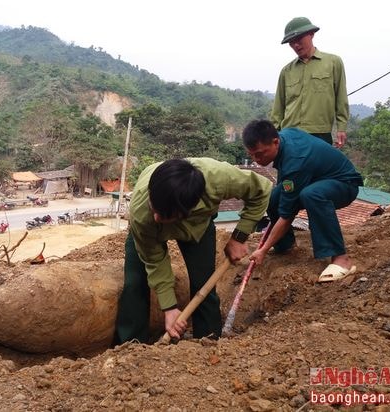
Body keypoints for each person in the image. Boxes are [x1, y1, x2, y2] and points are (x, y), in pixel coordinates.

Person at [113, 158, 272, 344]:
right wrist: (169, 308)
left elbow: (262, 190)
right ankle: (131, 345)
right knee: (135, 282)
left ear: (187, 211)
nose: (157, 217)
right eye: (154, 208)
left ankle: (208, 341)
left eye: (164, 215)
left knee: (203, 282)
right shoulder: (143, 213)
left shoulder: (219, 178)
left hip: (199, 227)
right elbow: (155, 260)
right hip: (146, 227)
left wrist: (239, 236)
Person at [242, 119, 363, 282]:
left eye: (260, 154)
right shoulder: (284, 137)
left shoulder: (295, 161)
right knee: (273, 199)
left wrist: (263, 250)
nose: (256, 159)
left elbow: (287, 216)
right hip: (316, 178)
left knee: (311, 195)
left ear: (275, 142)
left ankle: (342, 259)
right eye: (251, 155)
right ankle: (285, 245)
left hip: (344, 184)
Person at [271, 17, 349, 148]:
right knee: (291, 169)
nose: (296, 45)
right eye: (291, 42)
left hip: (320, 133)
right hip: (289, 134)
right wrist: (274, 136)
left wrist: (341, 128)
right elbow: (278, 109)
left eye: (299, 40)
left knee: (320, 168)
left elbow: (341, 98)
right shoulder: (286, 71)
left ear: (311, 34)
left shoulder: (333, 63)